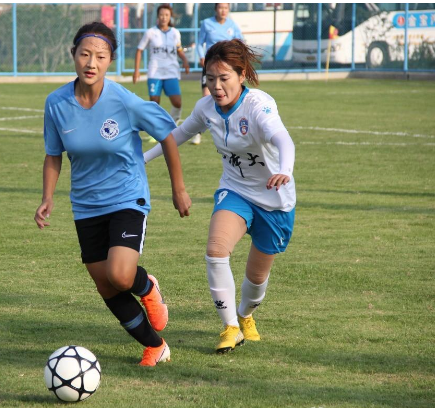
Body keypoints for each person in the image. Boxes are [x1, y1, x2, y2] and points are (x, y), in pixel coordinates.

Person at [34, 22, 191, 367]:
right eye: (84, 54)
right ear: (73, 55)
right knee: (105, 285)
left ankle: (146, 287)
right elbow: (53, 154)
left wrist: (178, 189)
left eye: (100, 56)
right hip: (85, 206)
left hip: (126, 197)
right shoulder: (56, 103)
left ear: (110, 61)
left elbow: (167, 135)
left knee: (120, 275)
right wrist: (47, 197)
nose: (91, 62)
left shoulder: (123, 100)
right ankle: (155, 346)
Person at [144, 39, 296, 354]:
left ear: (242, 75)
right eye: (210, 78)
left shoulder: (258, 105)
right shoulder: (205, 108)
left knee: (256, 278)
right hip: (235, 190)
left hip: (274, 198)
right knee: (216, 250)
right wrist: (141, 159)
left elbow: (283, 139)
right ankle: (230, 328)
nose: (216, 86)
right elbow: (177, 136)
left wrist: (285, 169)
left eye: (224, 78)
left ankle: (245, 315)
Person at [133, 3, 190, 142]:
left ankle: (172, 128)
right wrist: (136, 70)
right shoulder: (151, 32)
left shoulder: (175, 33)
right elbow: (139, 50)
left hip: (171, 72)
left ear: (170, 17)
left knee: (177, 102)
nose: (164, 17)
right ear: (158, 17)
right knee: (154, 102)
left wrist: (185, 60)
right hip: (155, 72)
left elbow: (179, 49)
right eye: (161, 15)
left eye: (166, 15)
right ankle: (156, 132)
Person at [191, 3, 243, 145]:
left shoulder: (232, 25)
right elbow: (200, 42)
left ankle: (233, 130)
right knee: (206, 98)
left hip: (227, 69)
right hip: (211, 67)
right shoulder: (206, 23)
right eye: (220, 7)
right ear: (215, 9)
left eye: (226, 8)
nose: (223, 10)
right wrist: (202, 57)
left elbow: (240, 43)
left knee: (231, 99)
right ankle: (198, 132)